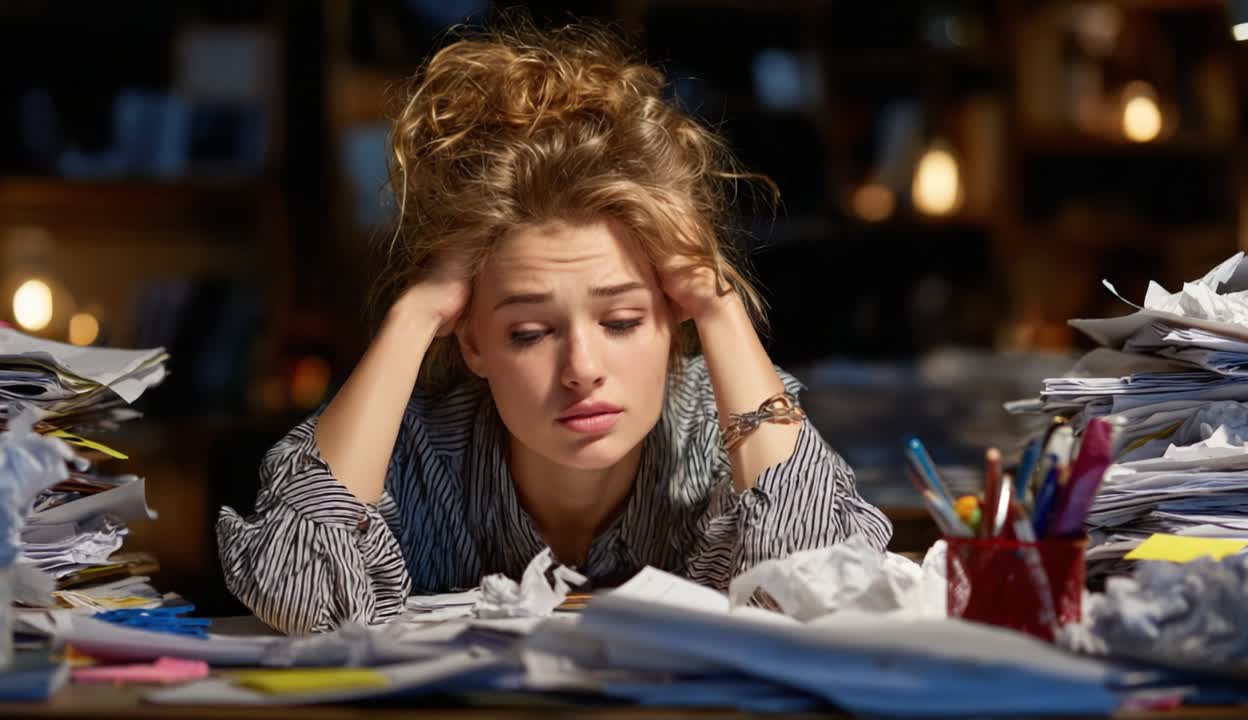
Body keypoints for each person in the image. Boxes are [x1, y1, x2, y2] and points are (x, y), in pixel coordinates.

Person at [217, 18, 891, 634]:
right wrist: (414, 312)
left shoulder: (729, 438)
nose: (581, 368)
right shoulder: (413, 457)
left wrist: (719, 304)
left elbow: (820, 594)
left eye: (623, 321)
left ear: (669, 316)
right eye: (529, 333)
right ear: (473, 340)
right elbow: (300, 596)